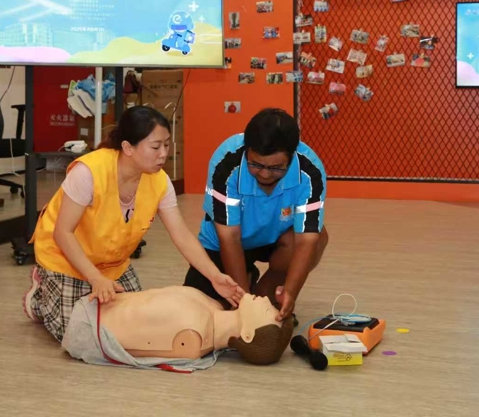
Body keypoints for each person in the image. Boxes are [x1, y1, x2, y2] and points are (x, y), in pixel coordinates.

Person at [24, 106, 244, 342]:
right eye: (155, 147)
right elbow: (62, 233)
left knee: (133, 327)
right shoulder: (88, 172)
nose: (163, 154)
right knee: (78, 335)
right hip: (64, 259)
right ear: (128, 147)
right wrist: (95, 278)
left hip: (112, 264)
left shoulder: (160, 182)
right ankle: (38, 299)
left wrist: (215, 276)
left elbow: (181, 234)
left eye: (166, 145)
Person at [183, 108, 328, 321]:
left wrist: (291, 292)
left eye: (277, 168)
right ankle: (247, 282)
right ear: (246, 150)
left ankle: (264, 292)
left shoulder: (310, 171)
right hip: (226, 243)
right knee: (199, 315)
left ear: (292, 156)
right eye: (256, 164)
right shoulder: (226, 162)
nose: (265, 174)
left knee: (318, 236)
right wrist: (245, 304)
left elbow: (307, 240)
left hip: (275, 241)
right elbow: (229, 237)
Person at [62, 287, 294, 368]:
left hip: (83, 322)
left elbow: (124, 348)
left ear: (247, 334)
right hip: (100, 297)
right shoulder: (212, 306)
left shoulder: (191, 340)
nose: (266, 298)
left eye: (266, 310)